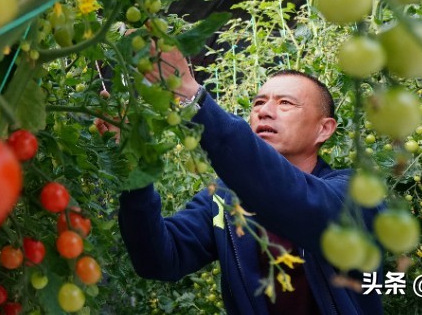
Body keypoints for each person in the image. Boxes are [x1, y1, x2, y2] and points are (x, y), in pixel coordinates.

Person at [115, 47, 383, 315]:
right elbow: (160, 260)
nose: (264, 112)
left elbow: (290, 197)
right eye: (258, 103)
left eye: (285, 103)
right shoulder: (222, 199)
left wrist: (192, 97)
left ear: (323, 129)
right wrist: (137, 171)